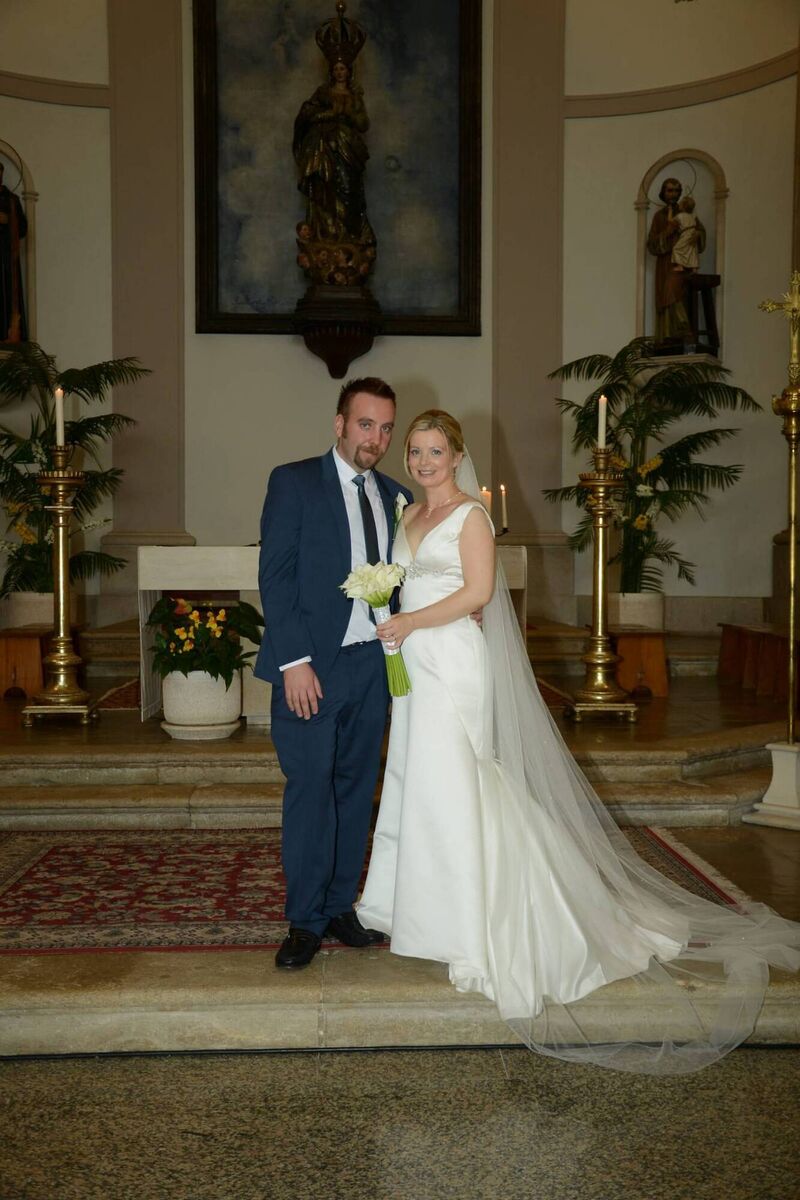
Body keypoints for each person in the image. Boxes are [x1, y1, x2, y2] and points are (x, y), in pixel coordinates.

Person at [357, 409, 800, 1074]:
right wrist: (390, 614)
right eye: (416, 451)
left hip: (452, 665)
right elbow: (402, 580)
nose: (423, 462)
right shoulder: (408, 517)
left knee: (458, 786)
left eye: (435, 451)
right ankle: (425, 911)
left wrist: (413, 618)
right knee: (419, 787)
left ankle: (475, 926)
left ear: (457, 455)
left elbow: (479, 590)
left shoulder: (471, 517)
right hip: (414, 670)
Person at [255, 377, 413, 970]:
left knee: (354, 789)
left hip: (371, 666)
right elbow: (276, 576)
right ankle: (304, 920)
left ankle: (342, 906)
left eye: (386, 427)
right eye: (365, 424)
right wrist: (294, 662)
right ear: (340, 423)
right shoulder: (294, 482)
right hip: (311, 670)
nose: (375, 437)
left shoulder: (397, 495)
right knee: (310, 789)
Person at [293, 57, 375, 250]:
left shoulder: (355, 95)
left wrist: (348, 115)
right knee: (325, 187)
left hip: (348, 147)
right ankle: (328, 234)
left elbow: (364, 124)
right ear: (332, 71)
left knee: (349, 188)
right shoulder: (323, 93)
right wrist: (327, 115)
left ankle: (350, 235)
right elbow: (307, 114)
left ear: (349, 71)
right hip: (324, 148)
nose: (339, 72)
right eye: (336, 69)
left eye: (343, 68)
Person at [646, 177, 705, 342]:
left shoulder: (687, 214)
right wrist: (668, 232)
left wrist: (697, 235)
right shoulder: (659, 216)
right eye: (669, 190)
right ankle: (668, 336)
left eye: (676, 190)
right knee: (668, 294)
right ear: (663, 193)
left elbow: (699, 232)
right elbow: (652, 245)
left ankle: (685, 332)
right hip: (666, 264)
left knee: (680, 294)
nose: (673, 194)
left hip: (685, 263)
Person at [0, 162, 28, 344]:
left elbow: (24, 229)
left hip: (6, 256)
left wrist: (9, 220)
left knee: (8, 292)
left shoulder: (12, 199)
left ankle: (8, 334)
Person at [671, 196, 699, 273]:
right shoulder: (693, 216)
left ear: (683, 206)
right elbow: (696, 225)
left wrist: (670, 211)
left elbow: (670, 221)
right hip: (692, 233)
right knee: (692, 251)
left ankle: (680, 266)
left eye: (680, 203)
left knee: (676, 249)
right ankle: (694, 268)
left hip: (686, 233)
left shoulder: (680, 216)